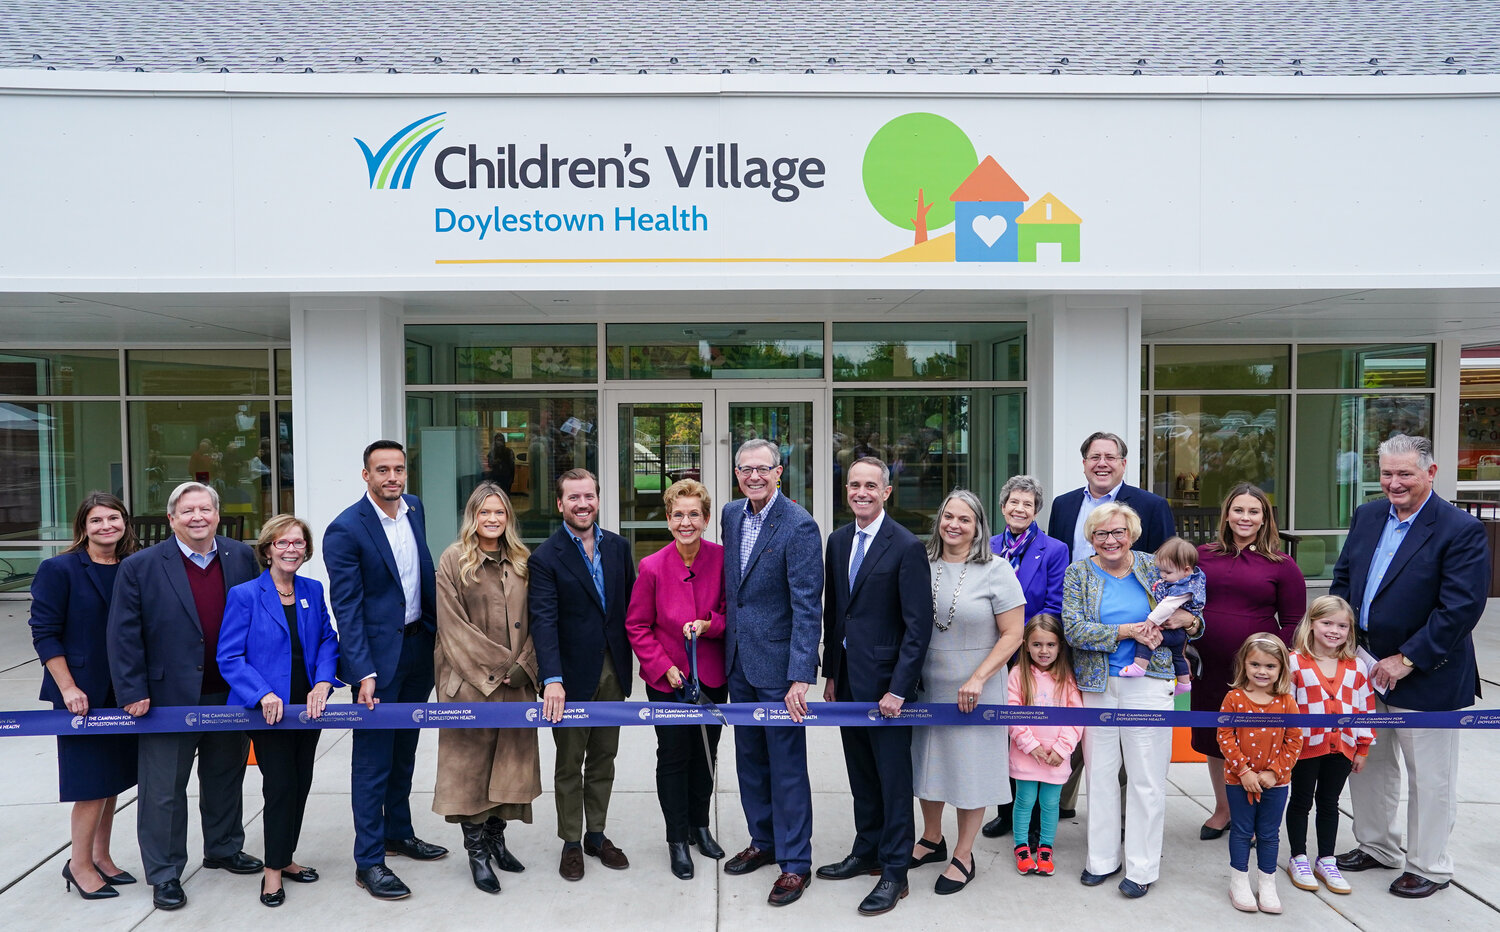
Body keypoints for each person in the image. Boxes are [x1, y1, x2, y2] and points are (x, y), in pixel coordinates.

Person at [1331, 434, 1488, 898]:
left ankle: (1429, 865)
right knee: (1369, 763)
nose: (1394, 483)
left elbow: (1460, 607)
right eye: (1386, 473)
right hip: (1362, 667)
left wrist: (1408, 658)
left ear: (1430, 473)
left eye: (1405, 474)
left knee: (1431, 777)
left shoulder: (1459, 529)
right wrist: (1339, 637)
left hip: (1429, 674)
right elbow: (1344, 578)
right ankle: (1377, 846)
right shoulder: (1368, 515)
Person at [106, 481, 263, 911]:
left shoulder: (241, 556)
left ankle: (225, 848)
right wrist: (132, 690)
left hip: (230, 693)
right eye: (188, 510)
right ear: (172, 518)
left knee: (225, 777)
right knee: (163, 790)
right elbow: (123, 635)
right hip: (166, 698)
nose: (198, 517)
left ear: (217, 514)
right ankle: (165, 873)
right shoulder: (140, 566)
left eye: (205, 509)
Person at [325, 440, 448, 902]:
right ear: (366, 476)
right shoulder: (345, 530)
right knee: (373, 760)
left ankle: (399, 833)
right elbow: (348, 608)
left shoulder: (413, 508)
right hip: (379, 662)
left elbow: (423, 573)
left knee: (405, 751)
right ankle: (369, 861)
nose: (392, 477)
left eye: (398, 469)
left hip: (419, 650)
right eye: (382, 470)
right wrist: (362, 672)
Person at [1062, 502, 1203, 899]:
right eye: (1102, 533)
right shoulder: (1078, 573)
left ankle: (1142, 867)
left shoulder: (1152, 564)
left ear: (1133, 534)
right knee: (1100, 776)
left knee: (1146, 778)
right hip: (1098, 683)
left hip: (1150, 682)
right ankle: (1101, 860)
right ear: (1091, 537)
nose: (1111, 540)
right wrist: (1128, 631)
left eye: (1118, 532)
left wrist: (1186, 621)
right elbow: (1074, 630)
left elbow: (1196, 609)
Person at [815, 457, 931, 916]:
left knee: (893, 779)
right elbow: (836, 612)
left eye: (871, 486)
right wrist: (830, 673)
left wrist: (900, 688)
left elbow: (917, 627)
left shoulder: (905, 546)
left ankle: (895, 870)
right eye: (854, 485)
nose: (861, 492)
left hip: (887, 689)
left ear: (886, 492)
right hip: (847, 682)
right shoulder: (838, 540)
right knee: (861, 773)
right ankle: (866, 850)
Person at [720, 438, 824, 907]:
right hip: (738, 663)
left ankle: (796, 864)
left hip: (781, 670)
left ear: (779, 473)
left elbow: (807, 606)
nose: (754, 477)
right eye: (746, 469)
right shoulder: (730, 515)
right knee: (749, 763)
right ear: (737, 473)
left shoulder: (799, 526)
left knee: (785, 768)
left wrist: (801, 674)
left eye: (763, 469)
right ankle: (764, 841)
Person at [217, 514, 339, 908]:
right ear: (267, 549)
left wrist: (323, 682)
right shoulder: (246, 594)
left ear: (307, 549)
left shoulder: (312, 589)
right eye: (282, 543)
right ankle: (272, 873)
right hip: (268, 710)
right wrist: (262, 693)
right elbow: (230, 656)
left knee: (301, 782)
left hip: (309, 706)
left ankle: (285, 858)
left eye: (298, 543)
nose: (291, 549)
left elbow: (326, 640)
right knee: (281, 784)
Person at [910, 490, 1026, 895]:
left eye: (964, 519)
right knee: (928, 764)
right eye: (947, 517)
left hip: (976, 685)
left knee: (970, 770)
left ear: (978, 526)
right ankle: (931, 837)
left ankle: (964, 853)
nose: (954, 525)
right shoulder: (921, 563)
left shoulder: (997, 569)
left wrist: (978, 677)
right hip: (928, 682)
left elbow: (1014, 633)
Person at [30, 492, 141, 901]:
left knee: (111, 780)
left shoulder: (133, 566)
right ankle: (78, 865)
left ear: (125, 523)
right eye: (97, 521)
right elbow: (44, 633)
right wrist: (67, 687)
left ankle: (101, 856)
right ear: (83, 526)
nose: (106, 526)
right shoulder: (59, 569)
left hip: (122, 691)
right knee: (90, 784)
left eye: (114, 518)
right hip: (80, 694)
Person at [529, 467, 636, 881]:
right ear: (560, 504)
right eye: (573, 497)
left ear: (597, 498)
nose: (583, 504)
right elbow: (543, 621)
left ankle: (596, 834)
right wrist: (551, 678)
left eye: (588, 496)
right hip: (570, 678)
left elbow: (629, 611)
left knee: (604, 758)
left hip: (614, 670)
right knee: (570, 761)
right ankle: (571, 841)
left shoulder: (618, 547)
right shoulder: (544, 557)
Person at [432, 483, 538, 894]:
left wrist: (526, 666)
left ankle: (496, 840)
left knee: (508, 765)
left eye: (499, 512)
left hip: (517, 683)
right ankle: (476, 853)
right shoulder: (454, 559)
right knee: (472, 771)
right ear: (472, 516)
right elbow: (452, 626)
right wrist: (499, 668)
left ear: (508, 516)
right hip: (471, 683)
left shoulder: (523, 560)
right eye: (484, 513)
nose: (492, 519)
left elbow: (536, 619)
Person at [625, 478, 728, 881]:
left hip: (712, 676)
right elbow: (637, 625)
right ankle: (675, 839)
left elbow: (729, 612)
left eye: (694, 515)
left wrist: (709, 624)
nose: (687, 522)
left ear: (705, 520)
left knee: (705, 752)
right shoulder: (651, 566)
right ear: (668, 519)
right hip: (667, 679)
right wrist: (664, 666)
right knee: (673, 756)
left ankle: (699, 825)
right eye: (679, 515)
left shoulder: (722, 559)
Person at [1192, 483, 1306, 839]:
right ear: (1227, 514)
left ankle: (1255, 817)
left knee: (1255, 741)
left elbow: (1294, 621)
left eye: (1253, 511)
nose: (1245, 517)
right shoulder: (1202, 555)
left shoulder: (1282, 565)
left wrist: (1272, 661)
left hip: (1257, 675)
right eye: (1238, 510)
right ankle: (1224, 809)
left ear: (1264, 519)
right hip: (1207, 667)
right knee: (1216, 738)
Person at [981, 474, 1070, 840]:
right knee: (1004, 732)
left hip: (1033, 652)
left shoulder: (1053, 549)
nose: (1019, 509)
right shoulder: (988, 546)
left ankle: (1035, 820)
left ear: (1037, 511)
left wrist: (1027, 643)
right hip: (992, 652)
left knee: (1032, 729)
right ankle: (1007, 810)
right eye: (1013, 502)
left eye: (1027, 504)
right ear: (1003, 508)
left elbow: (1053, 603)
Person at [1284, 595, 1374, 897]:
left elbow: (1365, 709)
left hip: (1342, 748)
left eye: (1342, 625)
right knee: (1300, 801)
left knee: (1329, 803)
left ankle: (1326, 859)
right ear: (1311, 625)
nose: (1334, 630)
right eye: (1327, 623)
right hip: (1304, 748)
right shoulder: (1294, 661)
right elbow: (1286, 707)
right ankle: (1298, 856)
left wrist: (1363, 747)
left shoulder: (1357, 667)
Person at [1218, 635, 1303, 914]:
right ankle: (1239, 881)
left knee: (1269, 834)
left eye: (1270, 666)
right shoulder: (1234, 698)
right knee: (1242, 831)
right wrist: (1243, 771)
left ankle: (1267, 883)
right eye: (1255, 664)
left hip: (1275, 783)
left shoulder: (1287, 701)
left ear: (1281, 670)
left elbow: (1294, 740)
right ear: (1244, 664)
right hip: (1238, 779)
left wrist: (1274, 772)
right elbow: (1225, 736)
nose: (1262, 671)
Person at [1006, 614, 1083, 879]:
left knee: (1051, 803)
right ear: (1026, 645)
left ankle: (1046, 848)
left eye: (1050, 645)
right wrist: (1030, 745)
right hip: (1027, 754)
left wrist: (1062, 750)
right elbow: (1011, 713)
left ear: (1060, 646)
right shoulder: (1018, 674)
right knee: (1024, 800)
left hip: (1056, 757)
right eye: (1037, 644)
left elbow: (1077, 717)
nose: (1044, 650)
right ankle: (1022, 847)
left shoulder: (1067, 677)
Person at [1047, 431, 1175, 562]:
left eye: (1110, 457)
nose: (1102, 463)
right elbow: (1052, 559)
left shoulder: (1153, 506)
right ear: (1084, 464)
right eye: (1095, 457)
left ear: (1123, 464)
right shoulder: (1062, 505)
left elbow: (1168, 562)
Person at [1123, 536, 1202, 692]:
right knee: (1178, 656)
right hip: (1179, 635)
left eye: (1167, 572)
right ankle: (1185, 684)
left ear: (1186, 570)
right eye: (1160, 570)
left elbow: (1167, 606)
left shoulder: (1183, 588)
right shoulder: (1184, 579)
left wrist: (1150, 622)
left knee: (1147, 637)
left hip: (1175, 631)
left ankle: (1139, 666)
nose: (1162, 575)